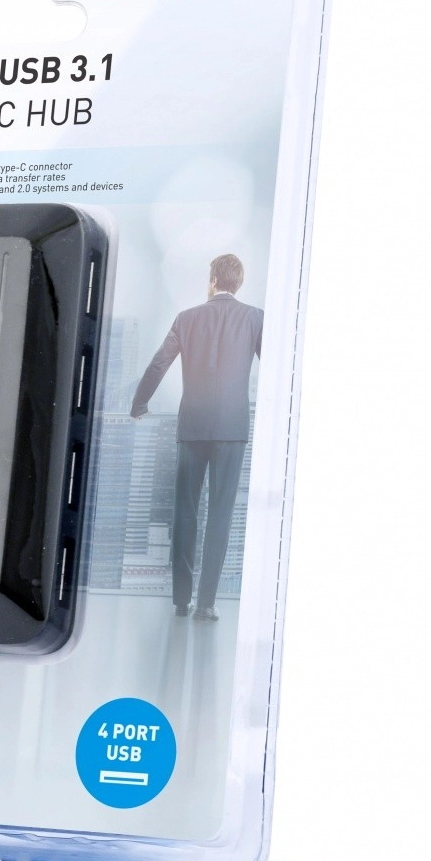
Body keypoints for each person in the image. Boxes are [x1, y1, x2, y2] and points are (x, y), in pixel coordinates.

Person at [131, 254, 263, 621]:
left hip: (192, 427)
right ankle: (206, 604)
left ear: (213, 280)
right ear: (238, 282)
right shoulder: (255, 318)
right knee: (220, 514)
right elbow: (276, 367)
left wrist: (139, 403)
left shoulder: (187, 318)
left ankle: (180, 601)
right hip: (232, 430)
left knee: (185, 512)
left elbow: (159, 362)